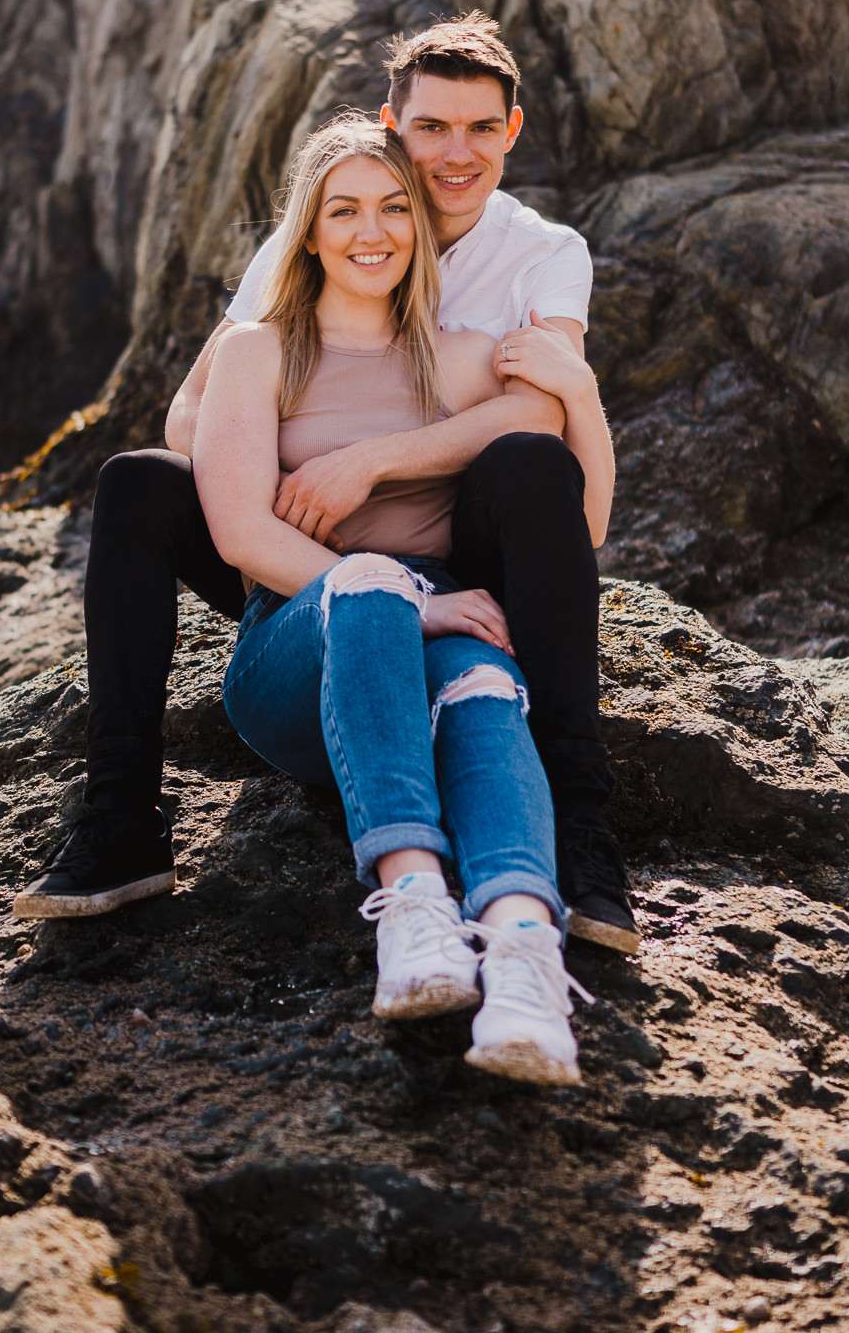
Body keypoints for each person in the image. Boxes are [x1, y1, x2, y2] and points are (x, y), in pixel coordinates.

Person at [13, 14, 635, 953]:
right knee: (140, 483)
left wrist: (372, 460)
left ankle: (580, 827)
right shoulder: (335, 219)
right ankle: (120, 818)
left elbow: (534, 413)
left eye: (478, 128)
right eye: (430, 128)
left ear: (511, 131)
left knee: (531, 466)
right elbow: (190, 418)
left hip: (453, 538)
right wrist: (290, 463)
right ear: (394, 124)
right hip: (297, 535)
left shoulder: (538, 254)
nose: (452, 154)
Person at [198, 113, 595, 1084]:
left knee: (487, 689)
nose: (369, 229)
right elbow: (240, 534)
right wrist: (416, 600)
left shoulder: (459, 355)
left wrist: (571, 393)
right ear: (308, 227)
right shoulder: (257, 349)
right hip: (297, 658)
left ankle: (521, 957)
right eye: (343, 209)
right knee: (374, 583)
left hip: (443, 636)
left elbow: (543, 426)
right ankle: (412, 904)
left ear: (418, 227)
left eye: (390, 208)